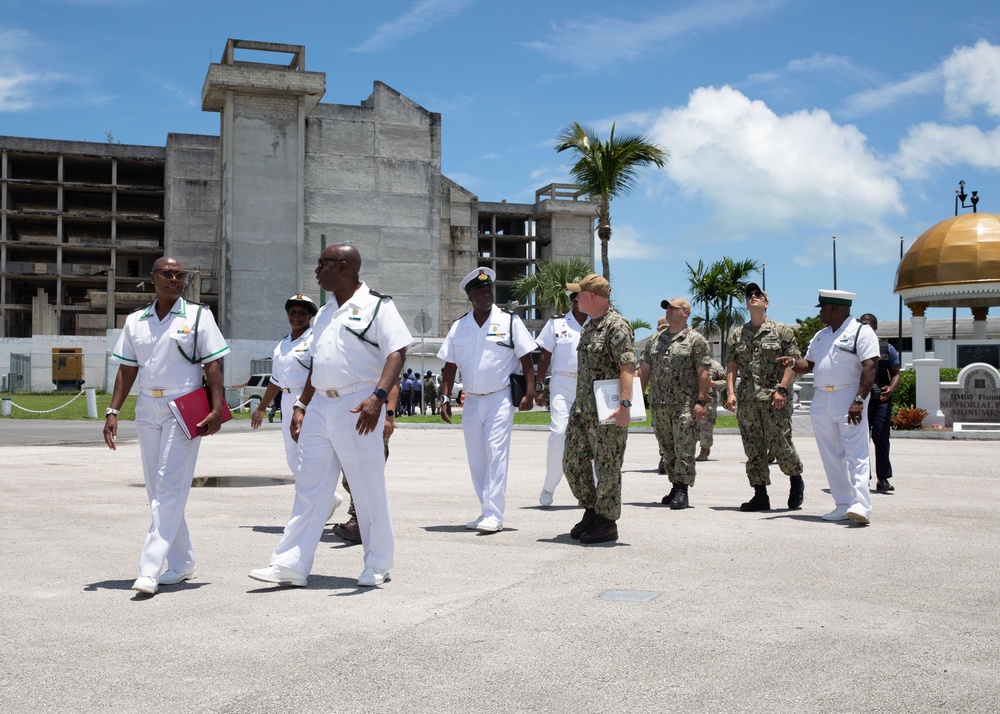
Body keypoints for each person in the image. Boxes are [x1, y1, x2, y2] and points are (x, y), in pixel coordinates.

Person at [249, 243, 411, 588]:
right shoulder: (323, 313)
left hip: (358, 405)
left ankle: (378, 562)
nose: (316, 270)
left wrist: (379, 397)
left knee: (367, 488)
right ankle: (290, 564)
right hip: (320, 405)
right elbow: (316, 365)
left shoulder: (377, 306)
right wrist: (301, 405)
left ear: (343, 266)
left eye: (322, 264)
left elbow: (397, 352)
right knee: (310, 487)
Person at [103, 256, 230, 595]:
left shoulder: (198, 315)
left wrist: (217, 408)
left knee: (169, 485)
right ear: (153, 277)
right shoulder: (135, 321)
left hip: (185, 405)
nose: (175, 279)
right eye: (167, 273)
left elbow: (213, 365)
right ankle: (183, 561)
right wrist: (112, 411)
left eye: (179, 275)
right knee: (156, 490)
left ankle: (149, 568)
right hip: (147, 406)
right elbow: (127, 369)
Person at [437, 267, 536, 533]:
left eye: (488, 289)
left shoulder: (510, 322)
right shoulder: (459, 327)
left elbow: (526, 359)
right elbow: (449, 365)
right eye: (480, 291)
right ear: (470, 296)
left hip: (500, 397)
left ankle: (495, 513)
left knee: (496, 453)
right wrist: (445, 397)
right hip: (470, 401)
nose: (486, 294)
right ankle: (485, 510)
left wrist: (529, 393)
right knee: (477, 459)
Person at [778, 289, 879, 525]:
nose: (820, 312)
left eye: (822, 308)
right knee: (831, 456)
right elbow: (809, 364)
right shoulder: (821, 335)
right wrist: (793, 362)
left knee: (856, 453)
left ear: (834, 308)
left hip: (849, 396)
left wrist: (859, 400)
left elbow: (870, 367)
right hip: (822, 398)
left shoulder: (860, 332)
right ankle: (843, 504)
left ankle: (862, 506)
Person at [251, 294, 344, 518]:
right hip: (286, 400)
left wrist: (302, 404)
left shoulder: (315, 339)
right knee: (293, 458)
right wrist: (261, 407)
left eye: (302, 313)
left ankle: (313, 506)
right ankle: (328, 498)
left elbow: (318, 371)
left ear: (311, 316)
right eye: (293, 313)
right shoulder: (283, 344)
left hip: (309, 401)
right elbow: (275, 380)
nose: (297, 317)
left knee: (308, 456)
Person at [561, 274, 634, 544]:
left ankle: (606, 521)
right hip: (583, 411)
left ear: (592, 296)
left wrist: (625, 406)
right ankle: (592, 509)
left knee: (607, 467)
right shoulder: (591, 326)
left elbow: (627, 367)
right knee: (572, 463)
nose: (575, 298)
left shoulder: (617, 326)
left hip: (608, 412)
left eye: (579, 293)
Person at [726, 283, 805, 511]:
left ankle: (795, 479)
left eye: (757, 294)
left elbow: (793, 363)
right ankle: (760, 494)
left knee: (781, 443)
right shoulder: (738, 334)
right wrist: (731, 392)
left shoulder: (781, 331)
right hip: (748, 400)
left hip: (774, 398)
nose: (752, 297)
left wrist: (782, 389)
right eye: (749, 295)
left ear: (766, 302)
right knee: (753, 448)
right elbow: (732, 365)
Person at [639, 297, 711, 511]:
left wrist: (701, 401)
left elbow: (704, 372)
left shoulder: (696, 340)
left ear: (685, 312)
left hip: (685, 404)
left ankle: (682, 489)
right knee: (667, 449)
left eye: (673, 308)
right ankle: (674, 484)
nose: (668, 311)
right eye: (667, 308)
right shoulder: (655, 340)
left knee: (684, 447)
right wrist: (636, 398)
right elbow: (644, 369)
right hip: (660, 404)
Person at [533, 289, 588, 507]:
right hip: (562, 384)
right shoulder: (557, 324)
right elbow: (544, 356)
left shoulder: (597, 322)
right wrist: (539, 387)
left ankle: (588, 492)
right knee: (559, 433)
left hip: (589, 385)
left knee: (591, 438)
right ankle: (549, 485)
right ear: (576, 300)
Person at [329, 382, 400, 545]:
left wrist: (389, 415)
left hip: (374, 419)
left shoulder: (384, 357)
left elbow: (393, 384)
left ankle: (361, 523)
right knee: (350, 476)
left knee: (367, 476)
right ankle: (363, 521)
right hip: (349, 418)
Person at [858, 313, 901, 492]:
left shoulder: (887, 348)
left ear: (875, 327)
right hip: (860, 400)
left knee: (880, 438)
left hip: (881, 399)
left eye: (868, 324)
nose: (865, 327)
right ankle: (862, 478)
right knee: (860, 440)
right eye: (862, 324)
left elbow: (896, 373)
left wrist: (891, 389)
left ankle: (883, 478)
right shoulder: (854, 347)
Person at [695, 358, 726, 462]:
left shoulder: (715, 366)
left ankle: (705, 450)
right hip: (691, 399)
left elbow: (727, 380)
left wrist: (714, 384)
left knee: (706, 426)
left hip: (708, 401)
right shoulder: (690, 362)